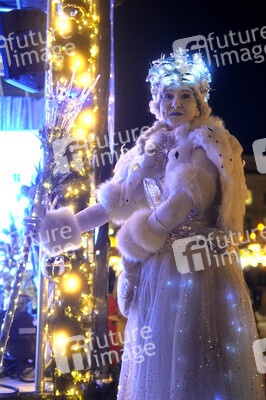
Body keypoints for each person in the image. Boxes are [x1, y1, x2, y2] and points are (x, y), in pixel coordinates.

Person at [39, 49, 265, 399]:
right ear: (157, 102)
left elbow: (183, 200)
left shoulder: (209, 141)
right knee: (158, 363)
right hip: (158, 272)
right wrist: (55, 230)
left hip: (200, 266)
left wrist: (139, 236)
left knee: (197, 360)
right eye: (168, 95)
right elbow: (111, 205)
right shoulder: (145, 149)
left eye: (185, 94)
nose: (175, 102)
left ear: (200, 103)